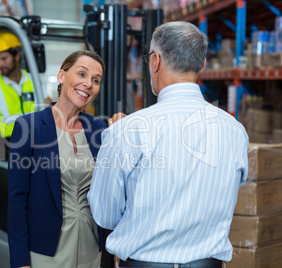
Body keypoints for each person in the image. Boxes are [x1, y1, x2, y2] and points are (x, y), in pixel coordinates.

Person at [88, 21, 249, 268]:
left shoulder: (128, 130)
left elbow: (105, 214)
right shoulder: (235, 131)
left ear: (155, 62)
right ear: (202, 64)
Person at [7, 50, 106, 268]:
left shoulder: (99, 129)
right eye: (82, 74)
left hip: (90, 247)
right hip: (47, 249)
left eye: (95, 80)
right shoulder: (28, 127)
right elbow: (17, 200)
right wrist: (20, 261)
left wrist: (123, 126)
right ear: (62, 76)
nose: (88, 84)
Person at [0, 32, 50, 145]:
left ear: (16, 56)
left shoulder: (33, 80)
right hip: (10, 147)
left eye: (4, 59)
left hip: (37, 142)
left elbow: (50, 109)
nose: (0, 64)